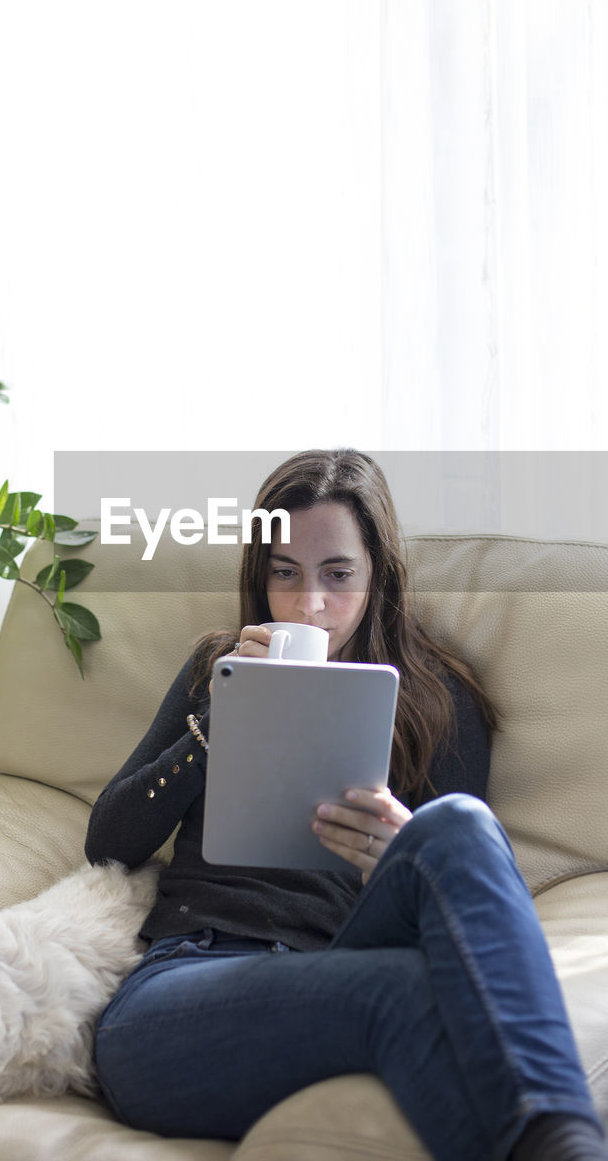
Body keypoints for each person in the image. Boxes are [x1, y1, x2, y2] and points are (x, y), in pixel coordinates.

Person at [85, 449, 607, 1161]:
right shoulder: (216, 672)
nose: (310, 606)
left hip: (339, 964)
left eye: (337, 575)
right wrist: (218, 717)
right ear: (258, 576)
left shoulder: (438, 700)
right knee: (403, 993)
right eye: (285, 574)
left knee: (456, 827)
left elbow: (481, 911)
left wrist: (399, 852)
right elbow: (109, 842)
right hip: (183, 987)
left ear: (377, 575)